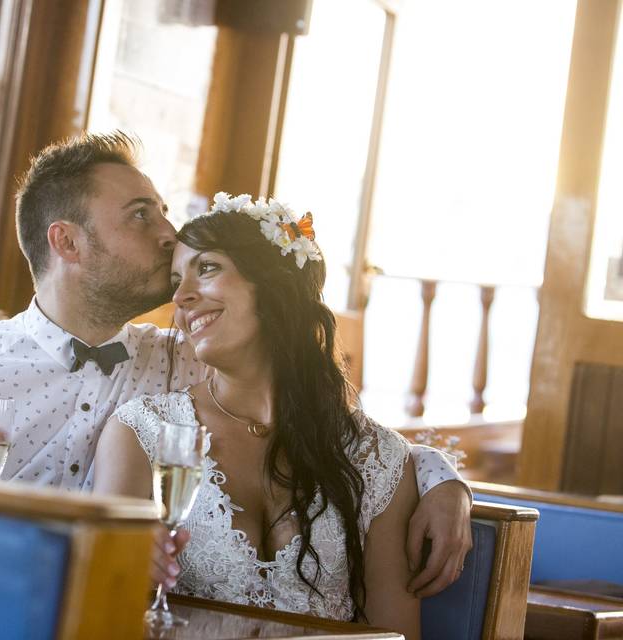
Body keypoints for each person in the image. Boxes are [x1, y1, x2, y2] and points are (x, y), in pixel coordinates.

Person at [0, 132, 471, 598]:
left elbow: (328, 420)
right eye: (140, 215)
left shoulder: (186, 361)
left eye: (161, 210)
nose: (168, 231)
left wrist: (443, 482)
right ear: (67, 241)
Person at [94, 194, 425, 636]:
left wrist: (447, 483)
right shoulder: (144, 432)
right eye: (176, 279)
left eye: (206, 268)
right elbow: (104, 612)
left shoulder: (379, 458)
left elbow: (393, 635)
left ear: (273, 284)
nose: (182, 296)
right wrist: (128, 575)